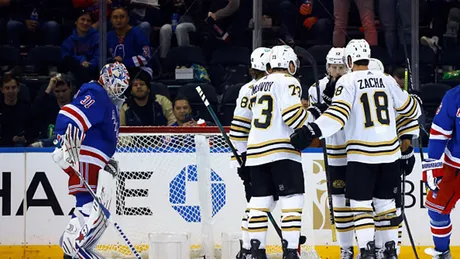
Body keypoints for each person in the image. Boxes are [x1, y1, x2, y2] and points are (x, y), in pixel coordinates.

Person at [290, 39, 421, 258]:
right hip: (389, 155)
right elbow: (411, 110)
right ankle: (389, 251)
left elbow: (337, 116)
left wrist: (312, 130)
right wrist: (415, 100)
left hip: (362, 155)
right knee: (385, 205)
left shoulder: (348, 81)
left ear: (349, 60)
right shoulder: (386, 79)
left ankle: (367, 250)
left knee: (361, 207)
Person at [242, 45, 326, 259]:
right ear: (289, 64)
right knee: (292, 200)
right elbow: (293, 118)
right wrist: (313, 116)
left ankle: (256, 251)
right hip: (282, 151)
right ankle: (290, 251)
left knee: (260, 203)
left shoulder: (256, 85)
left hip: (255, 152)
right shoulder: (289, 81)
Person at [52, 62, 130, 258]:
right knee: (84, 225)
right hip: (88, 164)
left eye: (121, 86)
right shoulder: (97, 94)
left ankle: (69, 252)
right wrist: (62, 140)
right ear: (106, 79)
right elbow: (69, 114)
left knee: (75, 232)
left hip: (95, 165)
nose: (117, 89)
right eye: (115, 84)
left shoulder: (107, 101)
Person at [308, 47, 356, 258]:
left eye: (341, 67)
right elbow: (318, 119)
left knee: (362, 201)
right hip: (335, 150)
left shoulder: (354, 84)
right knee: (339, 201)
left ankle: (368, 244)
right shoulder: (315, 89)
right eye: (333, 67)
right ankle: (346, 249)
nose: (337, 71)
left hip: (357, 149)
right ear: (327, 67)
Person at [228, 46, 271, 259]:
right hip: (253, 155)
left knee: (258, 202)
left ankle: (248, 248)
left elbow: (238, 129)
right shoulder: (250, 89)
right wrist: (242, 159)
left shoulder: (251, 88)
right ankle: (247, 247)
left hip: (254, 154)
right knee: (256, 202)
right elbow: (240, 127)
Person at [421, 84, 460, 259]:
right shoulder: (454, 96)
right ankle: (443, 252)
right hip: (453, 166)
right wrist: (431, 165)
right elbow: (438, 134)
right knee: (435, 210)